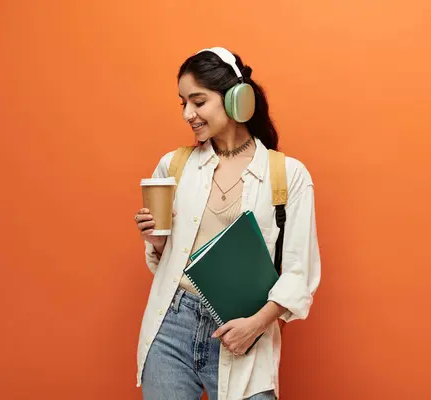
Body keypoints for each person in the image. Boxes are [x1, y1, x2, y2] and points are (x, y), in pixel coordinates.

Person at [133, 47, 321, 400]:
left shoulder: (287, 175)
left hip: (245, 330)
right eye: (183, 103)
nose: (189, 114)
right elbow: (166, 259)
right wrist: (156, 241)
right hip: (172, 323)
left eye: (198, 102)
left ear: (237, 99)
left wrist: (256, 325)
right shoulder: (173, 167)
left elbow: (299, 272)